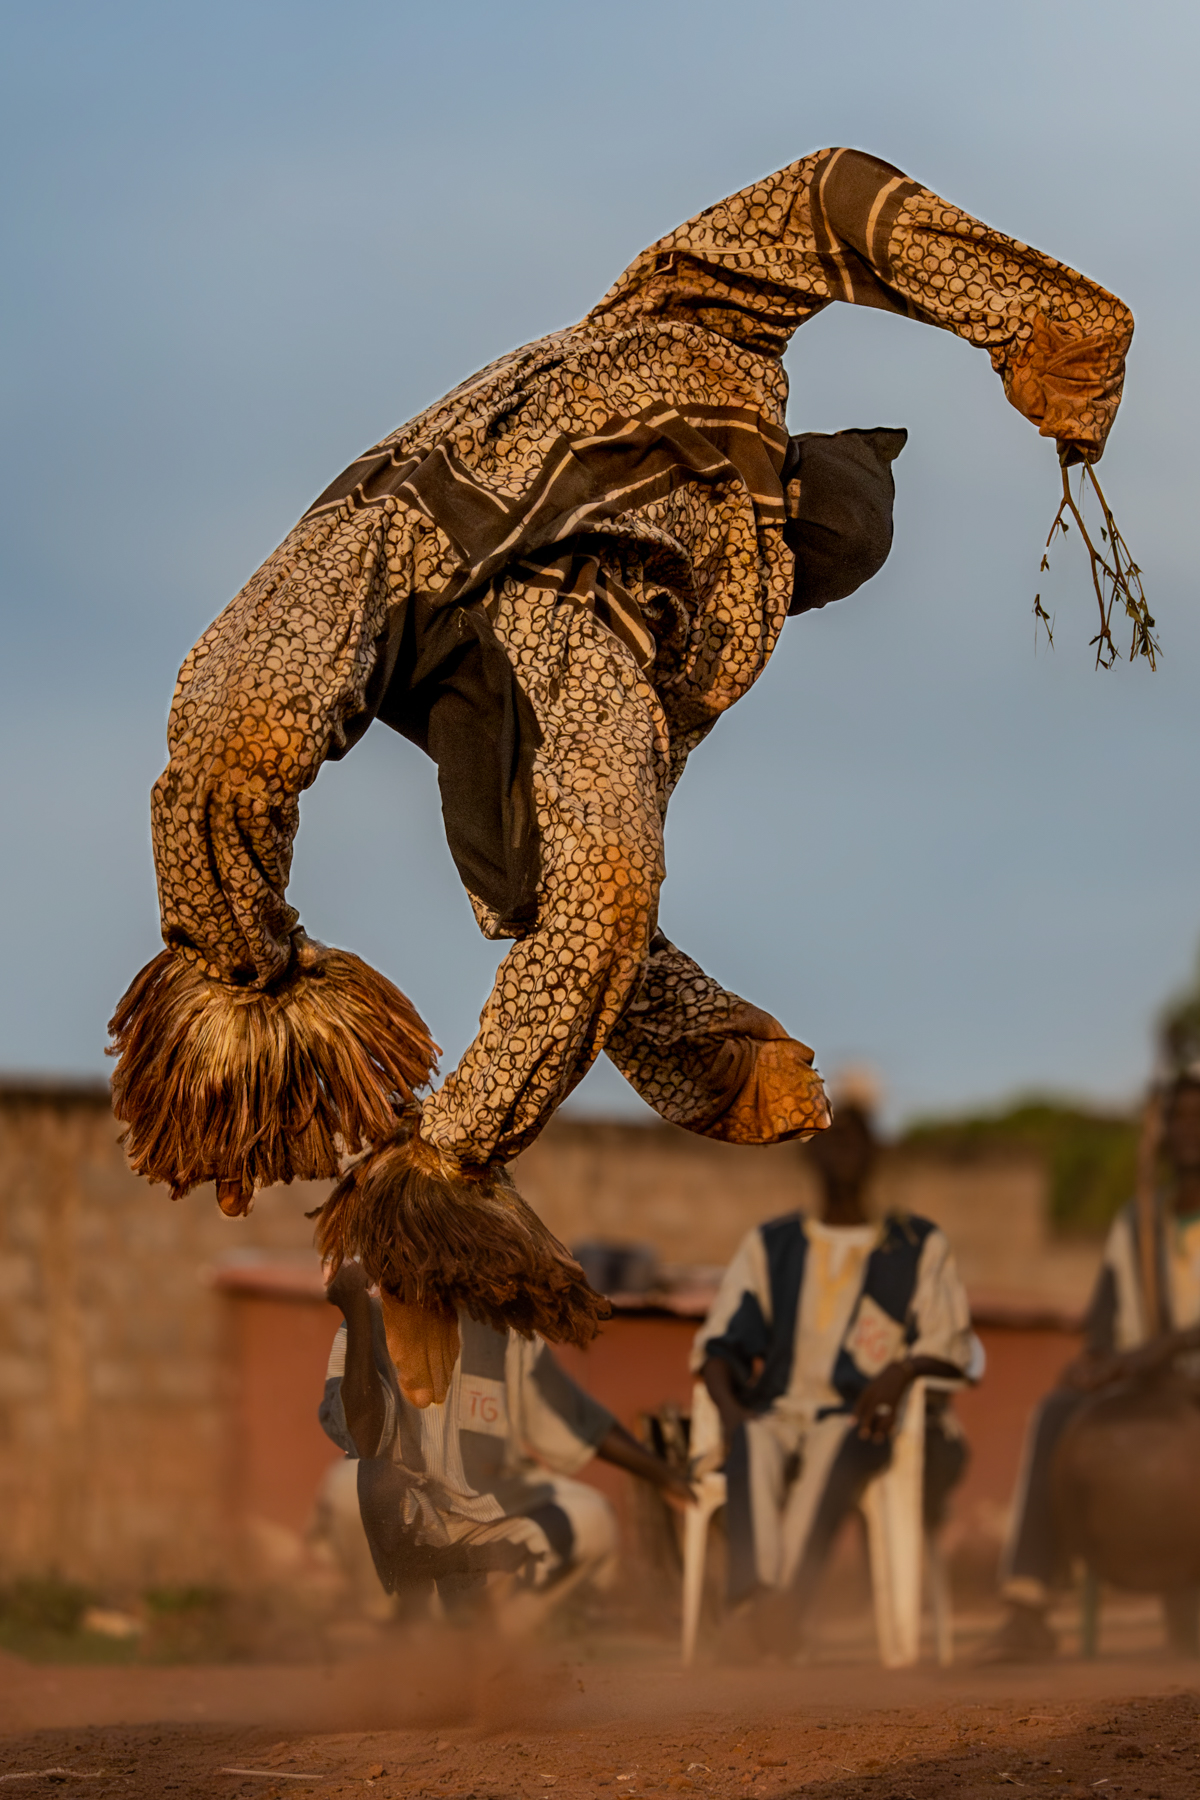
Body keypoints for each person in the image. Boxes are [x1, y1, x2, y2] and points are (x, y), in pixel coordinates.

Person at [110, 147, 1133, 1372]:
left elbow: (599, 877)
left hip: (534, 613)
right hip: (422, 521)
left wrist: (698, 1043)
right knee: (247, 728)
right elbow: (825, 198)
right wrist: (1036, 317)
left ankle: (426, 1156)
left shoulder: (710, 628)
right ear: (808, 498)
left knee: (463, 830)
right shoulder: (702, 333)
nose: (806, 578)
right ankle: (248, 991)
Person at [693, 1097, 976, 1655]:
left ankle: (778, 1610)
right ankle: (759, 1604)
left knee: (833, 1446)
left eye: (856, 1136)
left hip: (858, 1417)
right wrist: (729, 1411)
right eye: (830, 1136)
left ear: (876, 1154)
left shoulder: (915, 1244)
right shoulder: (772, 1246)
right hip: (776, 1408)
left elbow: (950, 1343)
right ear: (809, 1152)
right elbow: (719, 1345)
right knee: (752, 1435)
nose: (842, 1147)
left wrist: (902, 1369)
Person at [318, 1260, 693, 1626]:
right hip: (402, 1515)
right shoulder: (367, 1321)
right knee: (349, 1490)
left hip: (483, 1511)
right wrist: (356, 1315)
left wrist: (666, 1477)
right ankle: (395, 1623)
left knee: (591, 1518)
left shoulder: (506, 1332)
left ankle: (493, 1639)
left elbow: (579, 1421)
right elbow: (365, 1437)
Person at [986, 1070, 1200, 1662]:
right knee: (1057, 1411)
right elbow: (1103, 1324)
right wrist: (1095, 1364)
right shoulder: (1136, 1222)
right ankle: (1026, 1608)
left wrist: (1171, 1345)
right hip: (1143, 1386)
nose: (1188, 1130)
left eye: (1197, 1117)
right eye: (1176, 1118)